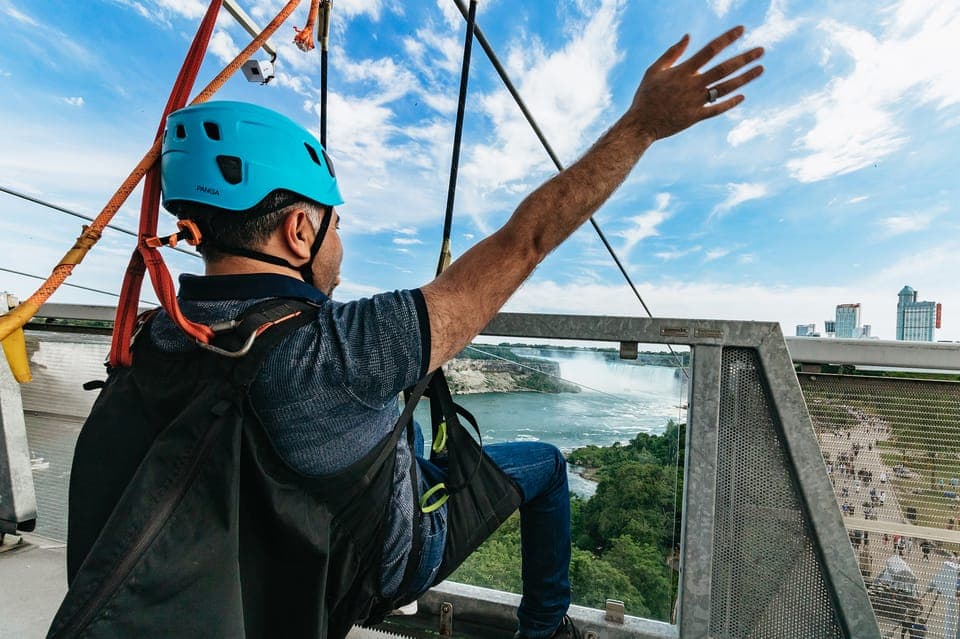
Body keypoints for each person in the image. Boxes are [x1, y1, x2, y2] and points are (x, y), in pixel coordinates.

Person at [63, 26, 763, 639]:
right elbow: (528, 240)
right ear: (298, 229)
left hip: (289, 541)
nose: (339, 244)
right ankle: (543, 627)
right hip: (382, 557)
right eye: (335, 224)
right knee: (548, 466)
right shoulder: (337, 351)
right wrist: (640, 125)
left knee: (419, 448)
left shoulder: (158, 337)